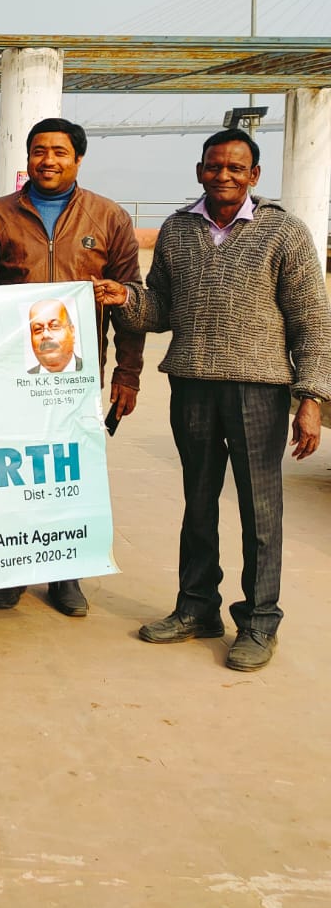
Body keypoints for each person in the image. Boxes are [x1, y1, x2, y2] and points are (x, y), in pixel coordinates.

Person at [94, 128, 331, 672]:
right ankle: (196, 607)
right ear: (199, 170)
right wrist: (125, 296)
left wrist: (311, 398)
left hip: (259, 389)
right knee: (198, 503)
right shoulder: (178, 230)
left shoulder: (284, 232)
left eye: (235, 167)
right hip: (192, 385)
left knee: (259, 509)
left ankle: (259, 621)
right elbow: (163, 308)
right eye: (213, 166)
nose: (223, 175)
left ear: (254, 175)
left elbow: (313, 323)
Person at [0, 117, 144, 617]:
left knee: (70, 474)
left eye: (59, 152)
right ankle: (12, 568)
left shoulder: (108, 218)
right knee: (12, 471)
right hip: (10, 372)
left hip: (76, 375)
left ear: (78, 159)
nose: (48, 161)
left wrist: (128, 374)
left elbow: (131, 301)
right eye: (39, 151)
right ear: (27, 157)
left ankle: (65, 574)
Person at [28, 298, 82, 373]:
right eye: (38, 329)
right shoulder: (21, 378)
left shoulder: (93, 368)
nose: (46, 335)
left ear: (72, 331)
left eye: (54, 326)